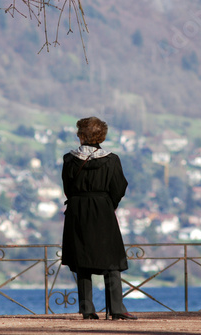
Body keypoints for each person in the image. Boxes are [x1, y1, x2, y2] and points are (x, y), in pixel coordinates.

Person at [61, 116, 137, 321]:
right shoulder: (112, 159)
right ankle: (117, 308)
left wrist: (79, 200)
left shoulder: (69, 159)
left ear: (82, 136)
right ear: (101, 135)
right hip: (103, 209)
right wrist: (108, 203)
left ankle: (87, 309)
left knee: (82, 260)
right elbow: (119, 186)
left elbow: (67, 187)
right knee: (111, 259)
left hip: (77, 209)